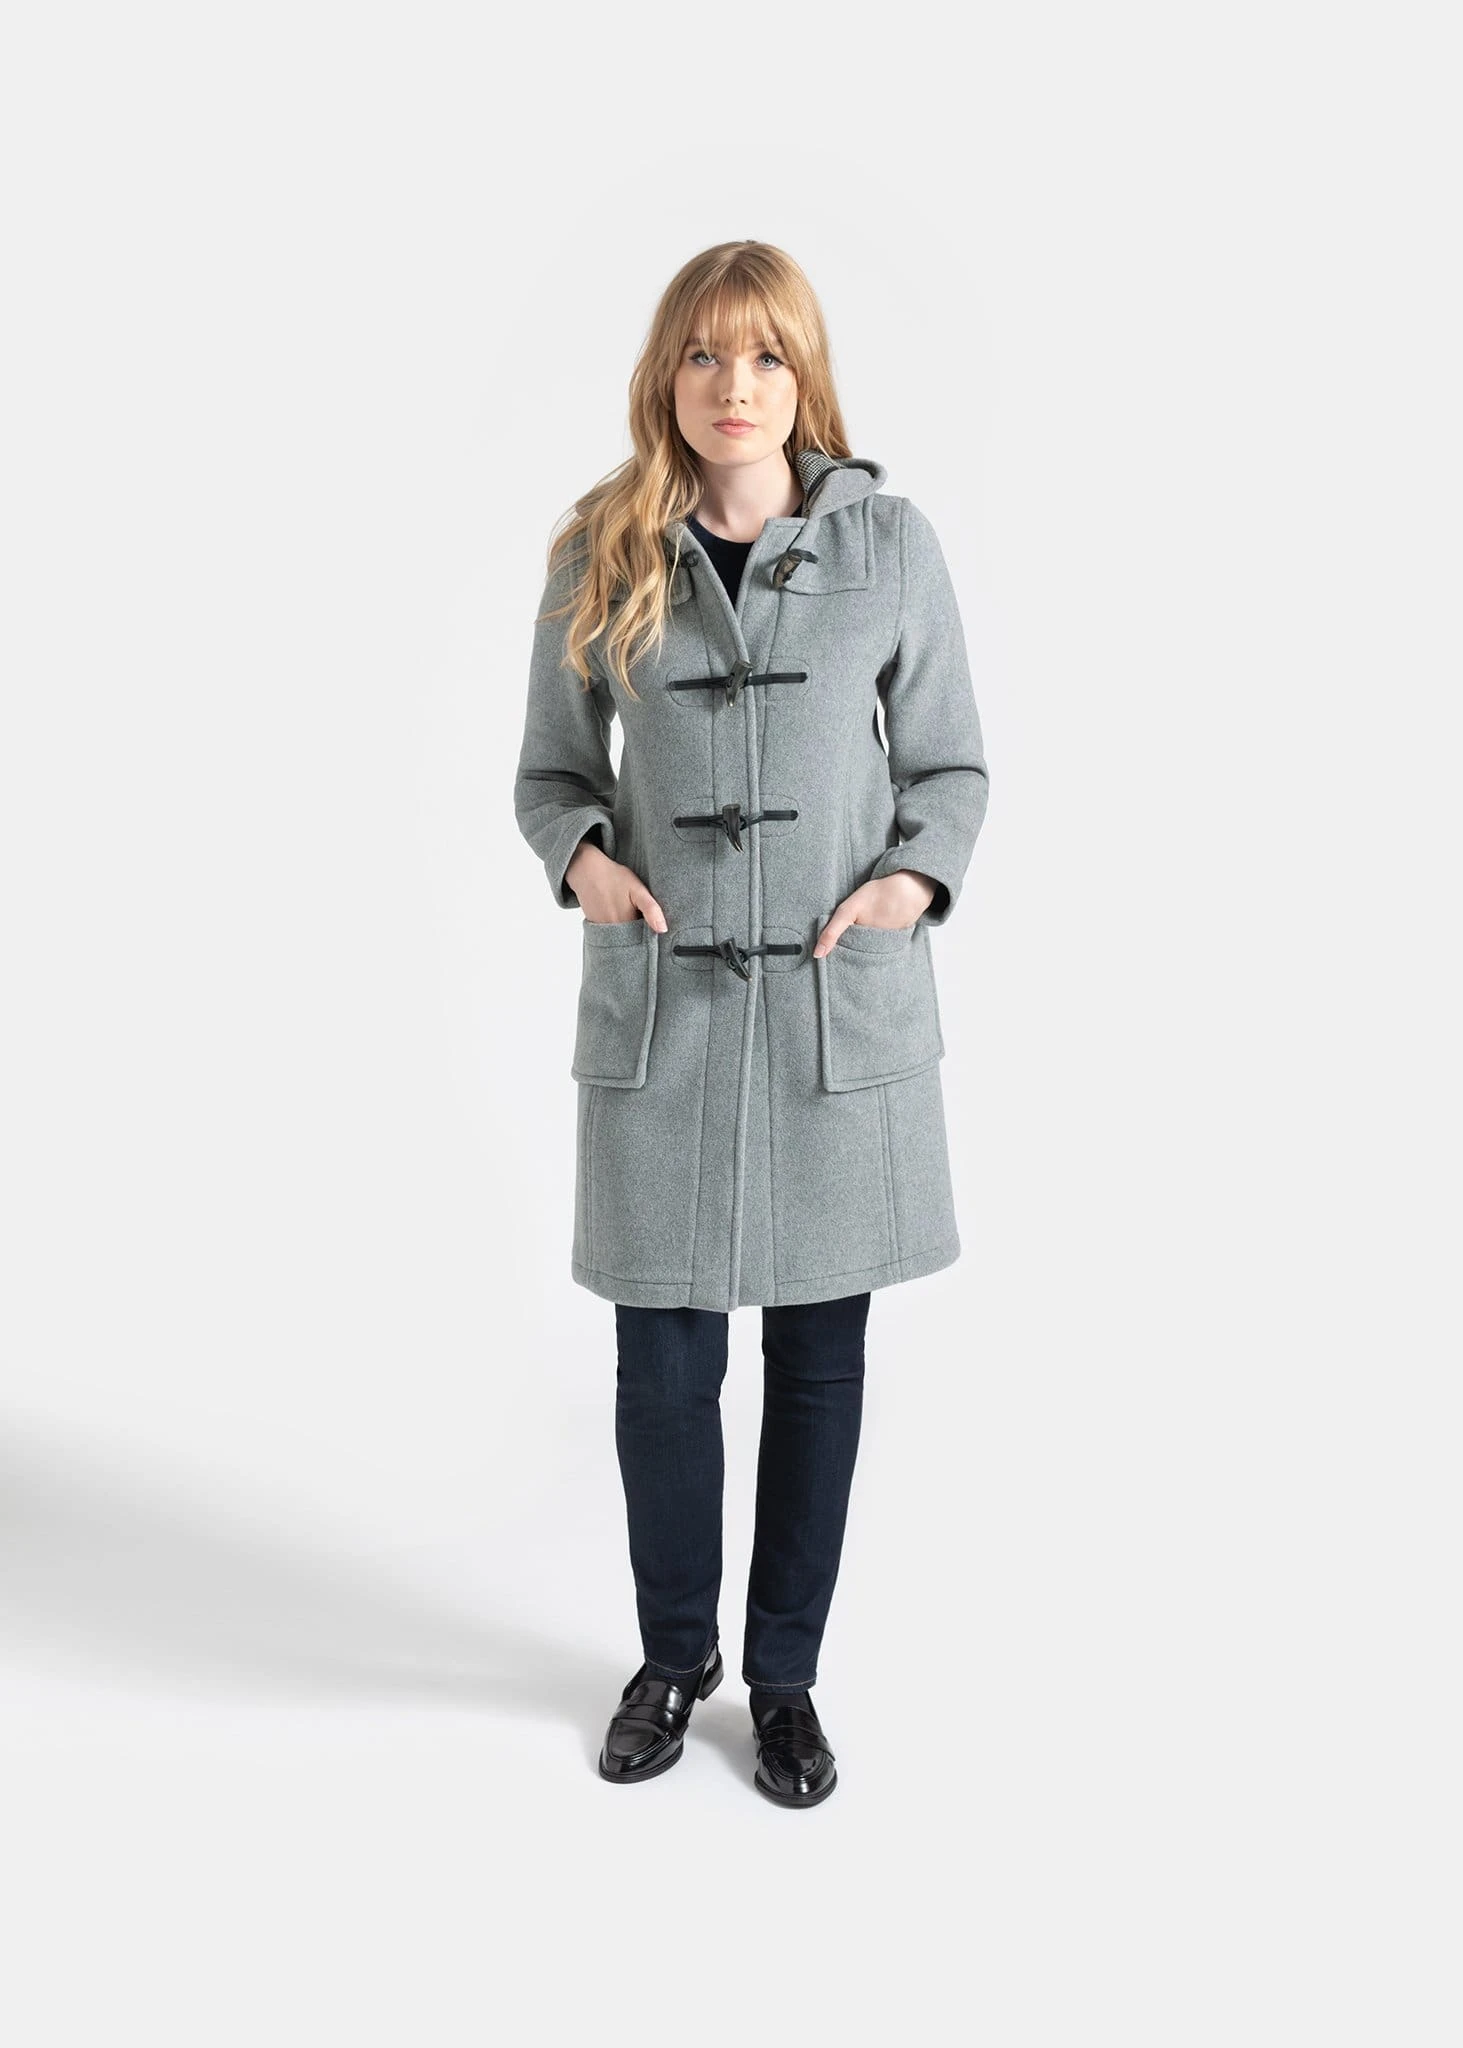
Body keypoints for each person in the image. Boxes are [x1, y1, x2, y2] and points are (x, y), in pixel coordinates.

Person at [513, 240, 989, 1806]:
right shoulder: (601, 548)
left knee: (818, 1358)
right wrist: (584, 862)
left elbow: (949, 767)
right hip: (664, 1010)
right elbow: (550, 773)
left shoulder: (886, 546)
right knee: (661, 1365)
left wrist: (908, 885)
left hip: (828, 1013)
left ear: (804, 374)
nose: (736, 386)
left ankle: (784, 1682)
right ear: (668, 374)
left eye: (767, 355)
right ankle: (672, 1659)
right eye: (706, 355)